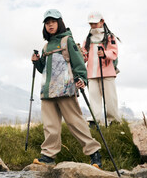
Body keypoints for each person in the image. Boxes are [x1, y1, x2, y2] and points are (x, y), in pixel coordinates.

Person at [31, 9, 102, 168]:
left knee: (75, 122)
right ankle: (48, 156)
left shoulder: (67, 40)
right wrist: (36, 62)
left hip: (65, 89)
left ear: (59, 23)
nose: (50, 25)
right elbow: (44, 69)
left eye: (53, 22)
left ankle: (94, 154)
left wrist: (82, 79)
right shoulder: (46, 46)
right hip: (48, 91)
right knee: (50, 126)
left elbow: (78, 62)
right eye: (47, 23)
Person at [82, 11, 121, 126]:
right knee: (94, 99)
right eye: (91, 24)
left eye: (95, 23)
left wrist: (104, 53)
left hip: (107, 72)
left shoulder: (109, 37)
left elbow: (114, 52)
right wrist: (80, 54)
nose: (93, 26)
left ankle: (113, 121)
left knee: (110, 99)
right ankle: (95, 120)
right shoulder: (88, 39)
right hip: (92, 73)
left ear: (102, 22)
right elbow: (84, 55)